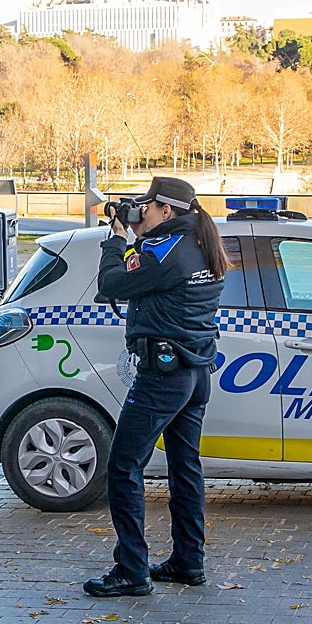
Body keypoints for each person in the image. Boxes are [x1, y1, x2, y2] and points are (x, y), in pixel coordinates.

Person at [84, 176, 228, 597]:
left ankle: (131, 568)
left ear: (167, 211)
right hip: (196, 370)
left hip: (164, 375)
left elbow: (112, 283)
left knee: (123, 466)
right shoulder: (202, 244)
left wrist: (115, 239)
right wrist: (135, 238)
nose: (140, 212)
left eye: (146, 207)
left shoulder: (165, 251)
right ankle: (189, 561)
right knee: (185, 468)